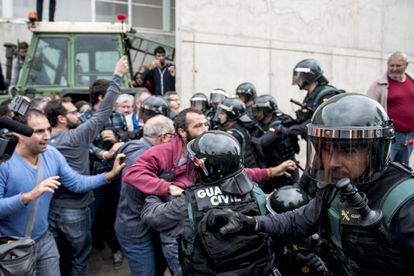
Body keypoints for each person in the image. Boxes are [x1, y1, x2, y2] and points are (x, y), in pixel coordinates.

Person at [214, 93, 414, 275]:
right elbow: (296, 222)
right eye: (325, 150)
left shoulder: (405, 204)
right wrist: (250, 222)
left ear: (374, 152)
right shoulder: (334, 189)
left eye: (347, 151)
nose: (332, 162)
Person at [124, 108, 296, 275]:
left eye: (206, 124)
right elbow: (133, 173)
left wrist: (271, 172)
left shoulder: (200, 190)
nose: (205, 129)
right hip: (185, 223)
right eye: (198, 126)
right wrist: (165, 187)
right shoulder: (165, 152)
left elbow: (236, 172)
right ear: (182, 132)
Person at [0, 109, 125, 276]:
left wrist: (109, 175)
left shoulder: (51, 154)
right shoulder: (4, 163)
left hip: (44, 240)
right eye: (39, 131)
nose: (46, 136)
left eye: (48, 129)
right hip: (11, 246)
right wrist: (27, 197)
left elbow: (76, 183)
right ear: (20, 134)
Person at [44, 57, 128, 276]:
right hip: (75, 209)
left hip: (50, 209)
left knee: (57, 256)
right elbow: (103, 112)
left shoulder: (40, 141)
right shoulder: (76, 137)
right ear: (61, 119)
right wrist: (117, 76)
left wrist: (100, 153)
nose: (78, 114)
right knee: (80, 259)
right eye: (73, 112)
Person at [115, 115, 175, 276]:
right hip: (137, 232)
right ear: (165, 137)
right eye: (173, 136)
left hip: (146, 227)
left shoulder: (137, 146)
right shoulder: (143, 158)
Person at [367, 51, 414, 165]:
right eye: (391, 65)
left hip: (409, 136)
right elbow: (368, 108)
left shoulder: (411, 81)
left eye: (398, 65)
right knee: (386, 167)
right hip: (390, 136)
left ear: (406, 65)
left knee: (403, 170)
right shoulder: (379, 84)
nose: (394, 68)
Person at [251, 95, 299, 192]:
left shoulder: (278, 125)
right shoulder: (262, 125)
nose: (255, 113)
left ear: (267, 110)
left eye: (258, 110)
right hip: (273, 171)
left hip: (286, 173)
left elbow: (261, 143)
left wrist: (246, 137)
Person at [289, 58, 342, 138]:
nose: (298, 80)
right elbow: (307, 118)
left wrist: (290, 130)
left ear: (309, 76)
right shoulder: (311, 95)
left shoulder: (327, 94)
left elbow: (319, 121)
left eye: (301, 77)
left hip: (325, 142)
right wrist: (289, 123)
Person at [213, 98, 261, 168]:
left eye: (222, 113)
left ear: (231, 115)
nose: (219, 116)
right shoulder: (237, 127)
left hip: (247, 171)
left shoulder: (234, 133)